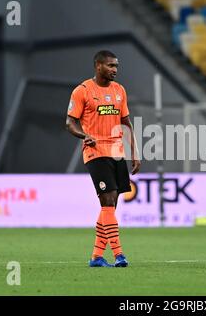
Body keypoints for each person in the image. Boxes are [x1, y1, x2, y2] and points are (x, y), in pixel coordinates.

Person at [66, 50, 141, 268]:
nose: (115, 70)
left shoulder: (120, 91)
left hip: (117, 152)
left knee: (110, 207)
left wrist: (135, 153)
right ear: (98, 66)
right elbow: (70, 122)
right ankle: (119, 255)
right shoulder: (82, 91)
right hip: (95, 151)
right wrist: (83, 135)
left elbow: (126, 124)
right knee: (107, 200)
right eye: (110, 66)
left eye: (116, 66)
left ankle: (96, 257)